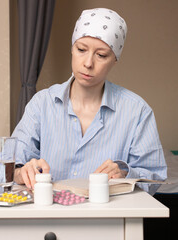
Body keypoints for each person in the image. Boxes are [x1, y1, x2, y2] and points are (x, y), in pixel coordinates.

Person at [11, 8, 167, 195]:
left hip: (109, 219)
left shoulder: (137, 111)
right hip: (48, 216)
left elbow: (155, 178)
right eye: (81, 49)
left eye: (101, 55)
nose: (88, 63)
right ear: (72, 48)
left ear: (114, 60)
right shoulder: (42, 103)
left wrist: (125, 173)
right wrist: (21, 173)